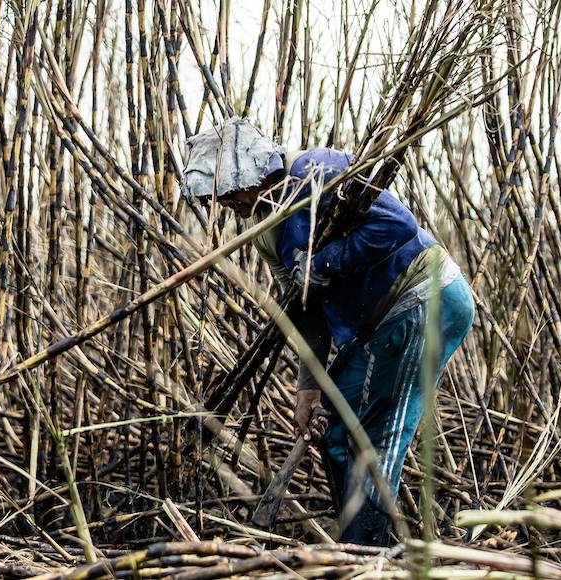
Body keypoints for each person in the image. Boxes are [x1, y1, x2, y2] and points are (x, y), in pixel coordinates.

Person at [182, 118, 475, 546]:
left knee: (373, 441)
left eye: (227, 191)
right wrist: (309, 388)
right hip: (374, 327)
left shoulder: (315, 172)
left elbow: (398, 227)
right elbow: (305, 308)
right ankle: (362, 549)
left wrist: (323, 263)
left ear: (248, 174)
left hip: (422, 299)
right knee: (337, 435)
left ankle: (367, 556)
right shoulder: (264, 229)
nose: (225, 202)